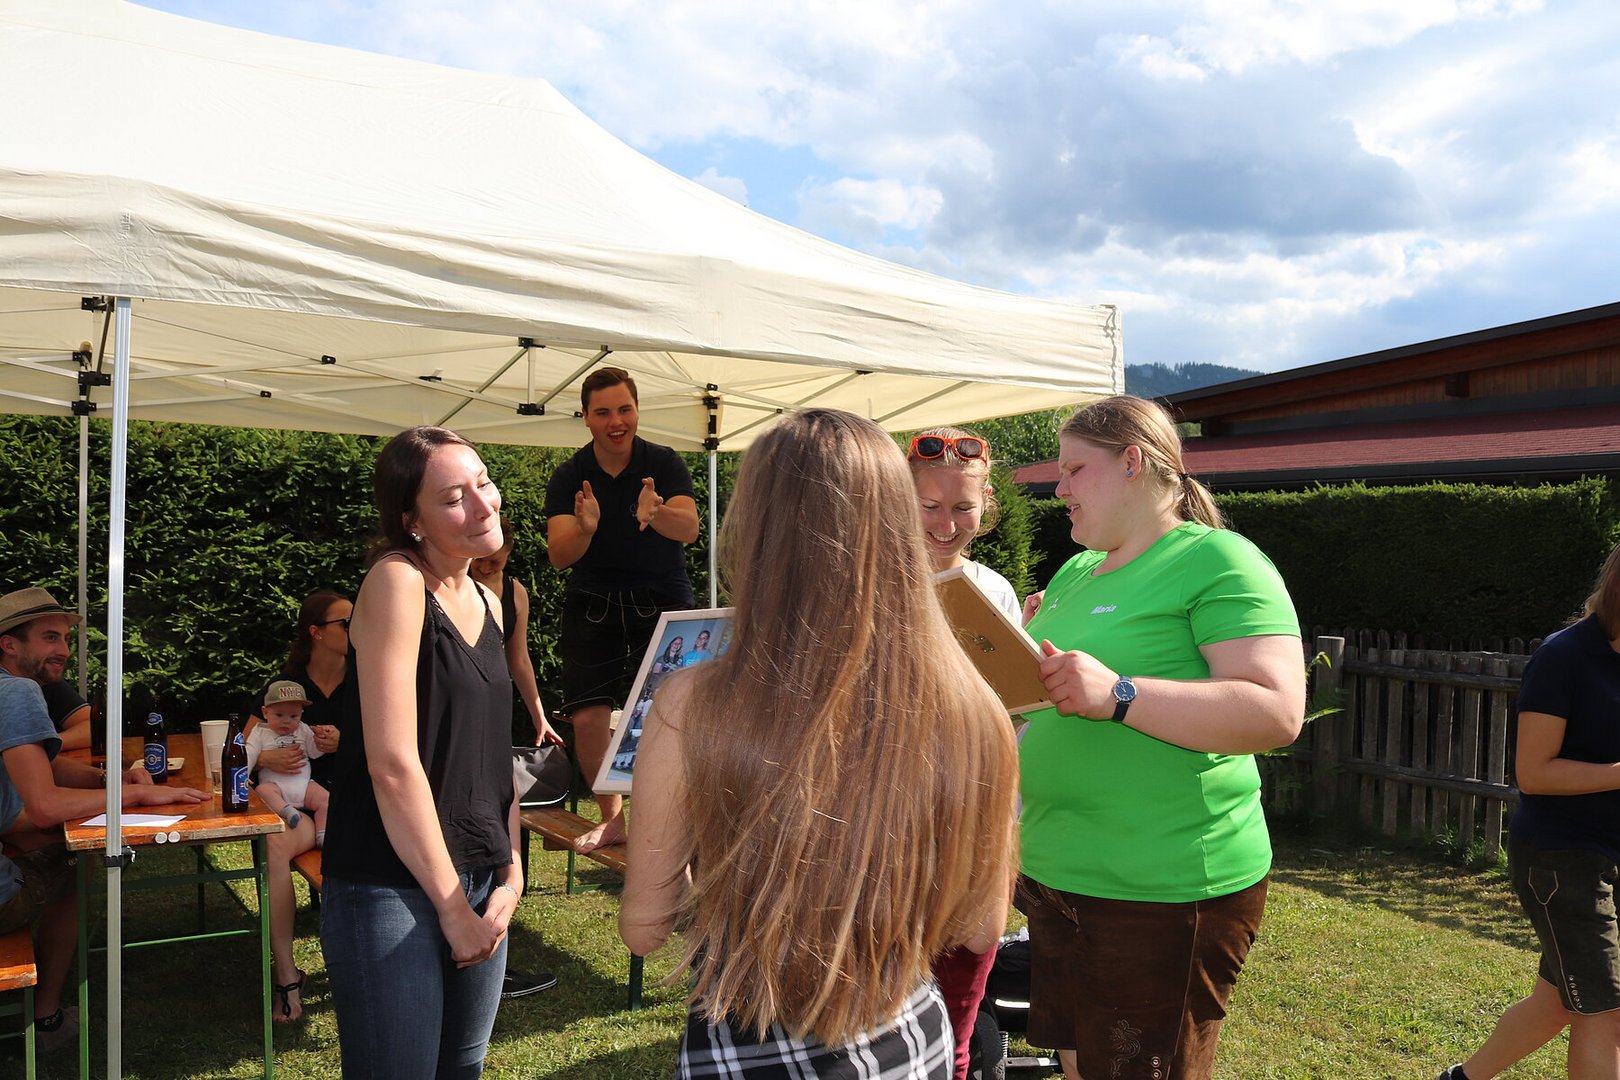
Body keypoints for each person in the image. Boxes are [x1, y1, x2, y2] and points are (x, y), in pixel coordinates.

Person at [620, 408, 1019, 1078]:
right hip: (908, 1037)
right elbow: (981, 927)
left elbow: (643, 928)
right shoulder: (976, 707)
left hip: (747, 1042)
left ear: (759, 529)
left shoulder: (690, 705)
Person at [1019, 395, 1305, 1080]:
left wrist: (1120, 694)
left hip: (1159, 888)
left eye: (1074, 469)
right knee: (1080, 1065)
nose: (1059, 489)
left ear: (1132, 462)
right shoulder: (1076, 571)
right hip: (1057, 876)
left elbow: (1276, 711)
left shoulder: (1220, 561)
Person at [321, 426, 524, 1079]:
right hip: (391, 886)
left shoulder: (490, 602)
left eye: (484, 483)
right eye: (454, 498)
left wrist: (512, 871)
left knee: (461, 1069)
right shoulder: (396, 582)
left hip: (481, 878)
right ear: (412, 521)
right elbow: (391, 763)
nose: (484, 504)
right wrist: (452, 908)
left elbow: (494, 757)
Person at [1437, 542, 1620, 1080]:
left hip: (1611, 855)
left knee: (1559, 1001)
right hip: (1563, 858)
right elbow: (1535, 773)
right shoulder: (1565, 657)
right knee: (1606, 1013)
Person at [0, 587, 207, 1052]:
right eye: (50, 637)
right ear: (9, 644)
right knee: (80, 859)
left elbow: (45, 765)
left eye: (65, 638)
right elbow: (44, 806)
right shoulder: (17, 691)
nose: (63, 649)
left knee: (58, 843)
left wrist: (108, 779)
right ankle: (46, 1018)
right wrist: (134, 793)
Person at [546, 366, 699, 853]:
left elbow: (690, 529)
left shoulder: (664, 462)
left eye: (624, 409)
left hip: (662, 598)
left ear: (636, 410)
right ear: (586, 418)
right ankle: (612, 820)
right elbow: (559, 555)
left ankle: (671, 819)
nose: (616, 421)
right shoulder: (569, 475)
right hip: (594, 602)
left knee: (672, 712)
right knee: (588, 718)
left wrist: (657, 513)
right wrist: (585, 529)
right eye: (603, 412)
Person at [907, 425, 1020, 1080]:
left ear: (986, 507)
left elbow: (1010, 711)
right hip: (890, 823)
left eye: (963, 508)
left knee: (958, 1000)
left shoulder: (993, 592)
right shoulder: (870, 582)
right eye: (929, 506)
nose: (946, 525)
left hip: (971, 820)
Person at [248, 588, 353, 1023]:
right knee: (274, 843)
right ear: (316, 632)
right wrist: (265, 759)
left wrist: (348, 743)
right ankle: (287, 973)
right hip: (299, 804)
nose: (355, 628)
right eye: (345, 622)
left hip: (354, 800)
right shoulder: (286, 687)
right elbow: (240, 749)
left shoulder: (366, 679)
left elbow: (399, 744)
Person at [469, 513, 561, 1001]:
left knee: (501, 814)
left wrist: (538, 714)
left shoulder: (514, 593)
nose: (486, 568)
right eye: (481, 560)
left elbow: (517, 657)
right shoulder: (446, 583)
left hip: (494, 711)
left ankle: (494, 943)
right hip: (463, 715)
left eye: (496, 562)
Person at [247, 681, 328, 838]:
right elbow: (249, 752)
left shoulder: (303, 729)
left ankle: (322, 834)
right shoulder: (260, 732)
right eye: (279, 715)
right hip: (275, 786)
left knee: (326, 799)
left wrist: (321, 738)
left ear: (301, 714)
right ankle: (287, 811)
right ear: (265, 712)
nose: (286, 721)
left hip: (304, 786)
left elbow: (314, 753)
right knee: (262, 791)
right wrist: (244, 773)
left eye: (293, 716)